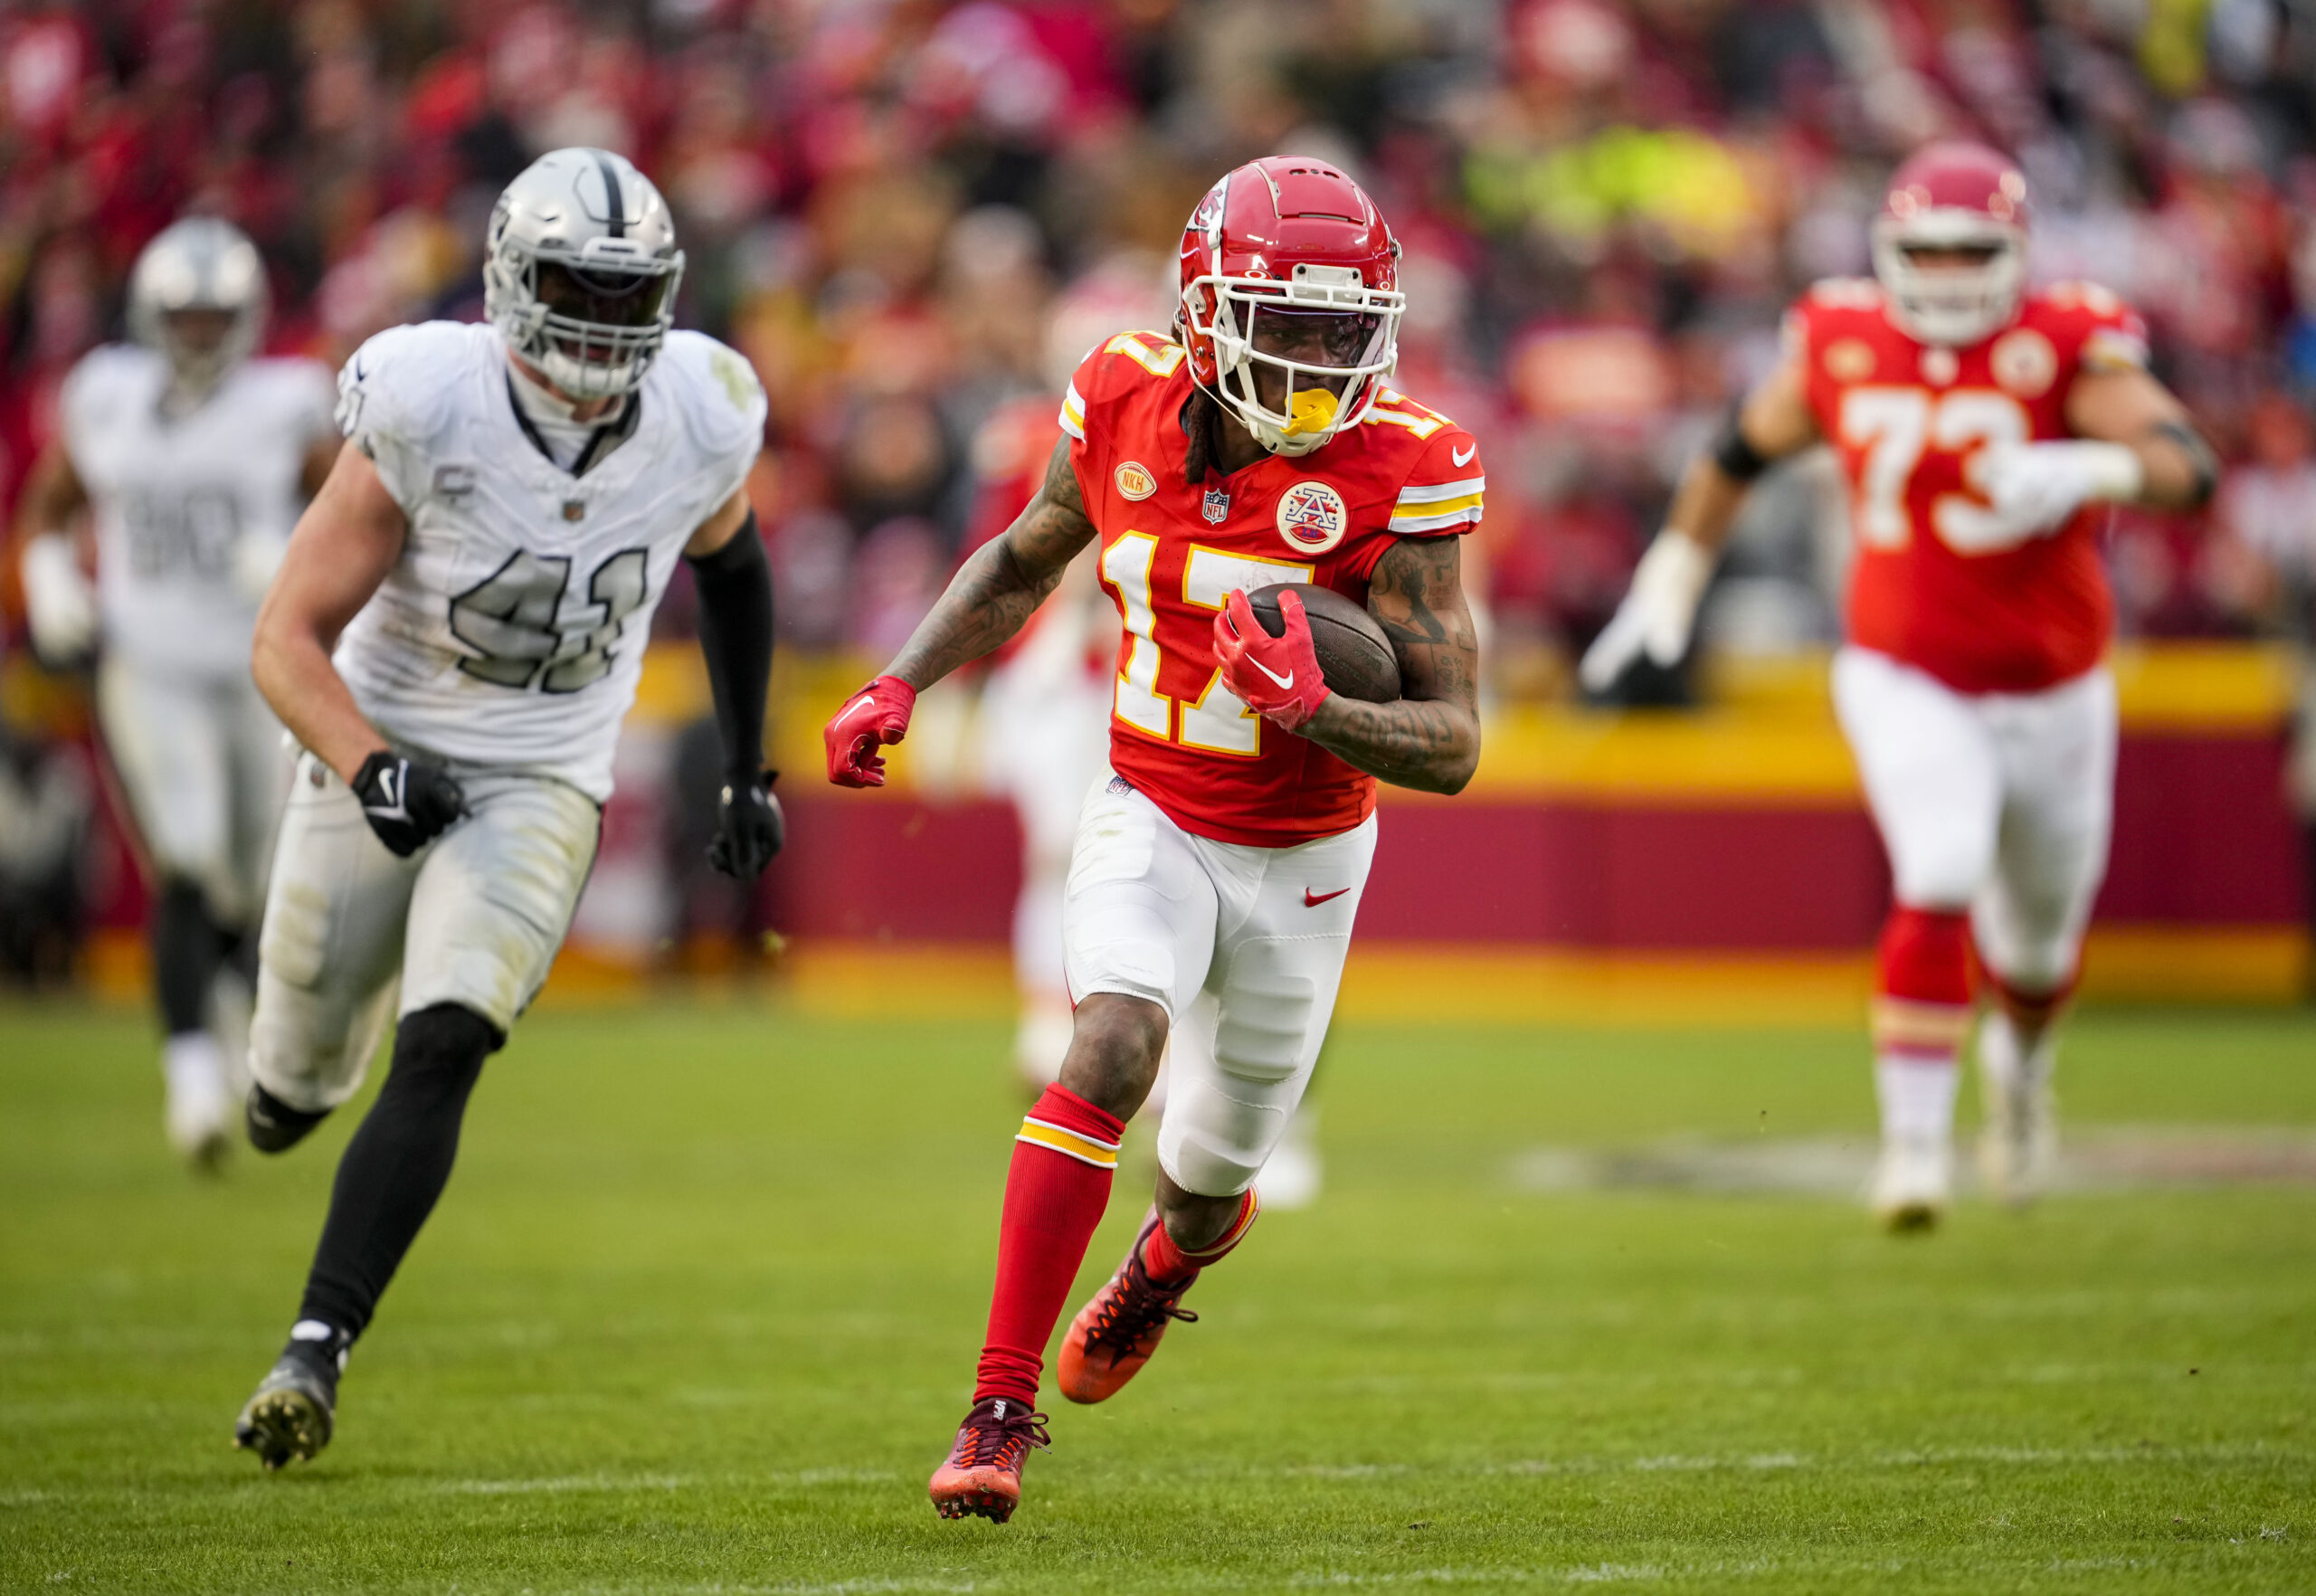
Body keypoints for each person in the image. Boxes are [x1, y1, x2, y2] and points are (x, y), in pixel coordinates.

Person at [823, 156, 1485, 1522]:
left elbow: (1456, 740)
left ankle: (1168, 1266)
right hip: (1153, 808)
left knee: (1205, 1187)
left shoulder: (1407, 467)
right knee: (1110, 1042)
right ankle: (998, 1409)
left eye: (1336, 331)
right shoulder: (1120, 391)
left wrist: (1322, 713)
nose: (1312, 362)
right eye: (1282, 326)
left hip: (1307, 859)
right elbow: (1022, 559)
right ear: (1201, 310)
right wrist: (899, 679)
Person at [229, 147, 783, 1469]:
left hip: (546, 768)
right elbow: (287, 638)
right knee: (290, 1091)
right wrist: (370, 764)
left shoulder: (702, 408)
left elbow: (739, 572)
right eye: (570, 289)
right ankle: (284, 1084)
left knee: (449, 1038)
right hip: (387, 740)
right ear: (510, 282)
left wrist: (748, 765)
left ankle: (316, 1346)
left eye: (621, 293)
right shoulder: (431, 398)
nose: (597, 323)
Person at [1581, 142, 2218, 1229]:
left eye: (1970, 249)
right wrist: (1672, 571)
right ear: (1887, 250)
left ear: (2014, 251)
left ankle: (2017, 1088)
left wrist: (2091, 466)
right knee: (1939, 865)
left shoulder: (2066, 342)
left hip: (2056, 684)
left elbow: (2187, 470)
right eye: (1924, 249)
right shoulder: (1842, 340)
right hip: (1903, 666)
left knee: (2036, 947)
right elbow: (1736, 452)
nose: (1947, 271)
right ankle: (1914, 1153)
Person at [14, 217, 337, 1167]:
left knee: (255, 873)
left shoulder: (287, 401)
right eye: (184, 316)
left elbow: (349, 517)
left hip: (259, 667)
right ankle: (192, 1073)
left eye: (215, 316)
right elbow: (49, 503)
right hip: (148, 663)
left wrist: (291, 562)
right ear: (154, 316)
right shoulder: (107, 395)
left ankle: (230, 1019)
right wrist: (45, 571)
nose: (199, 333)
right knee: (187, 858)